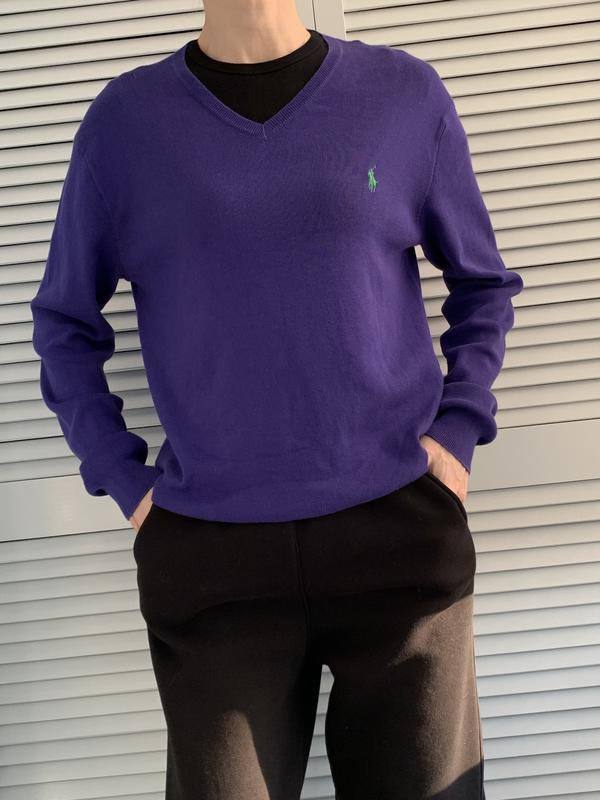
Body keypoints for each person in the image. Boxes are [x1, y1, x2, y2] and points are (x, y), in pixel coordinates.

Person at [29, 1, 524, 797]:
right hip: (212, 558)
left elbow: (482, 284)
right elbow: (63, 322)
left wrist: (458, 432)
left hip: (398, 530)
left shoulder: (403, 96)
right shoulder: (125, 125)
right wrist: (126, 481)